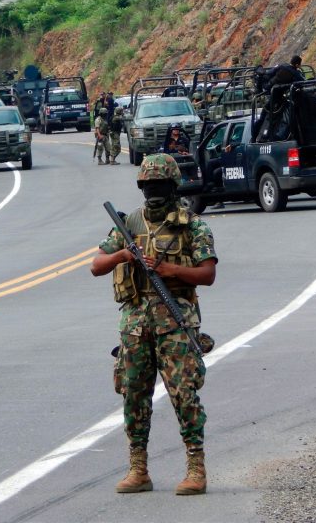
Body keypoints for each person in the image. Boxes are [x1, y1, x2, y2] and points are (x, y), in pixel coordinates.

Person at [90, 153, 217, 495]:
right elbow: (96, 265)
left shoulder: (192, 224)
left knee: (183, 394)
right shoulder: (129, 224)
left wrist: (169, 271)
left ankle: (195, 467)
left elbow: (207, 274)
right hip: (135, 325)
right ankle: (138, 469)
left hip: (176, 322)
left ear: (174, 186)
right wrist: (123, 256)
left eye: (160, 185)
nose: (154, 191)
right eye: (148, 185)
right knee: (133, 395)